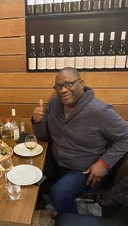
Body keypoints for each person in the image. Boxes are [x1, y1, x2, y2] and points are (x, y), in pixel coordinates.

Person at [32, 67, 128, 214]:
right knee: (26, 168)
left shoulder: (100, 111)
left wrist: (104, 163)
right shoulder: (53, 105)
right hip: (57, 162)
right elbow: (43, 136)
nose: (63, 90)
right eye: (58, 86)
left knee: (58, 194)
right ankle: (38, 203)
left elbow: (126, 136)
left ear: (81, 83)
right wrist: (36, 121)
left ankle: (71, 219)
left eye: (68, 84)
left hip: (84, 171)